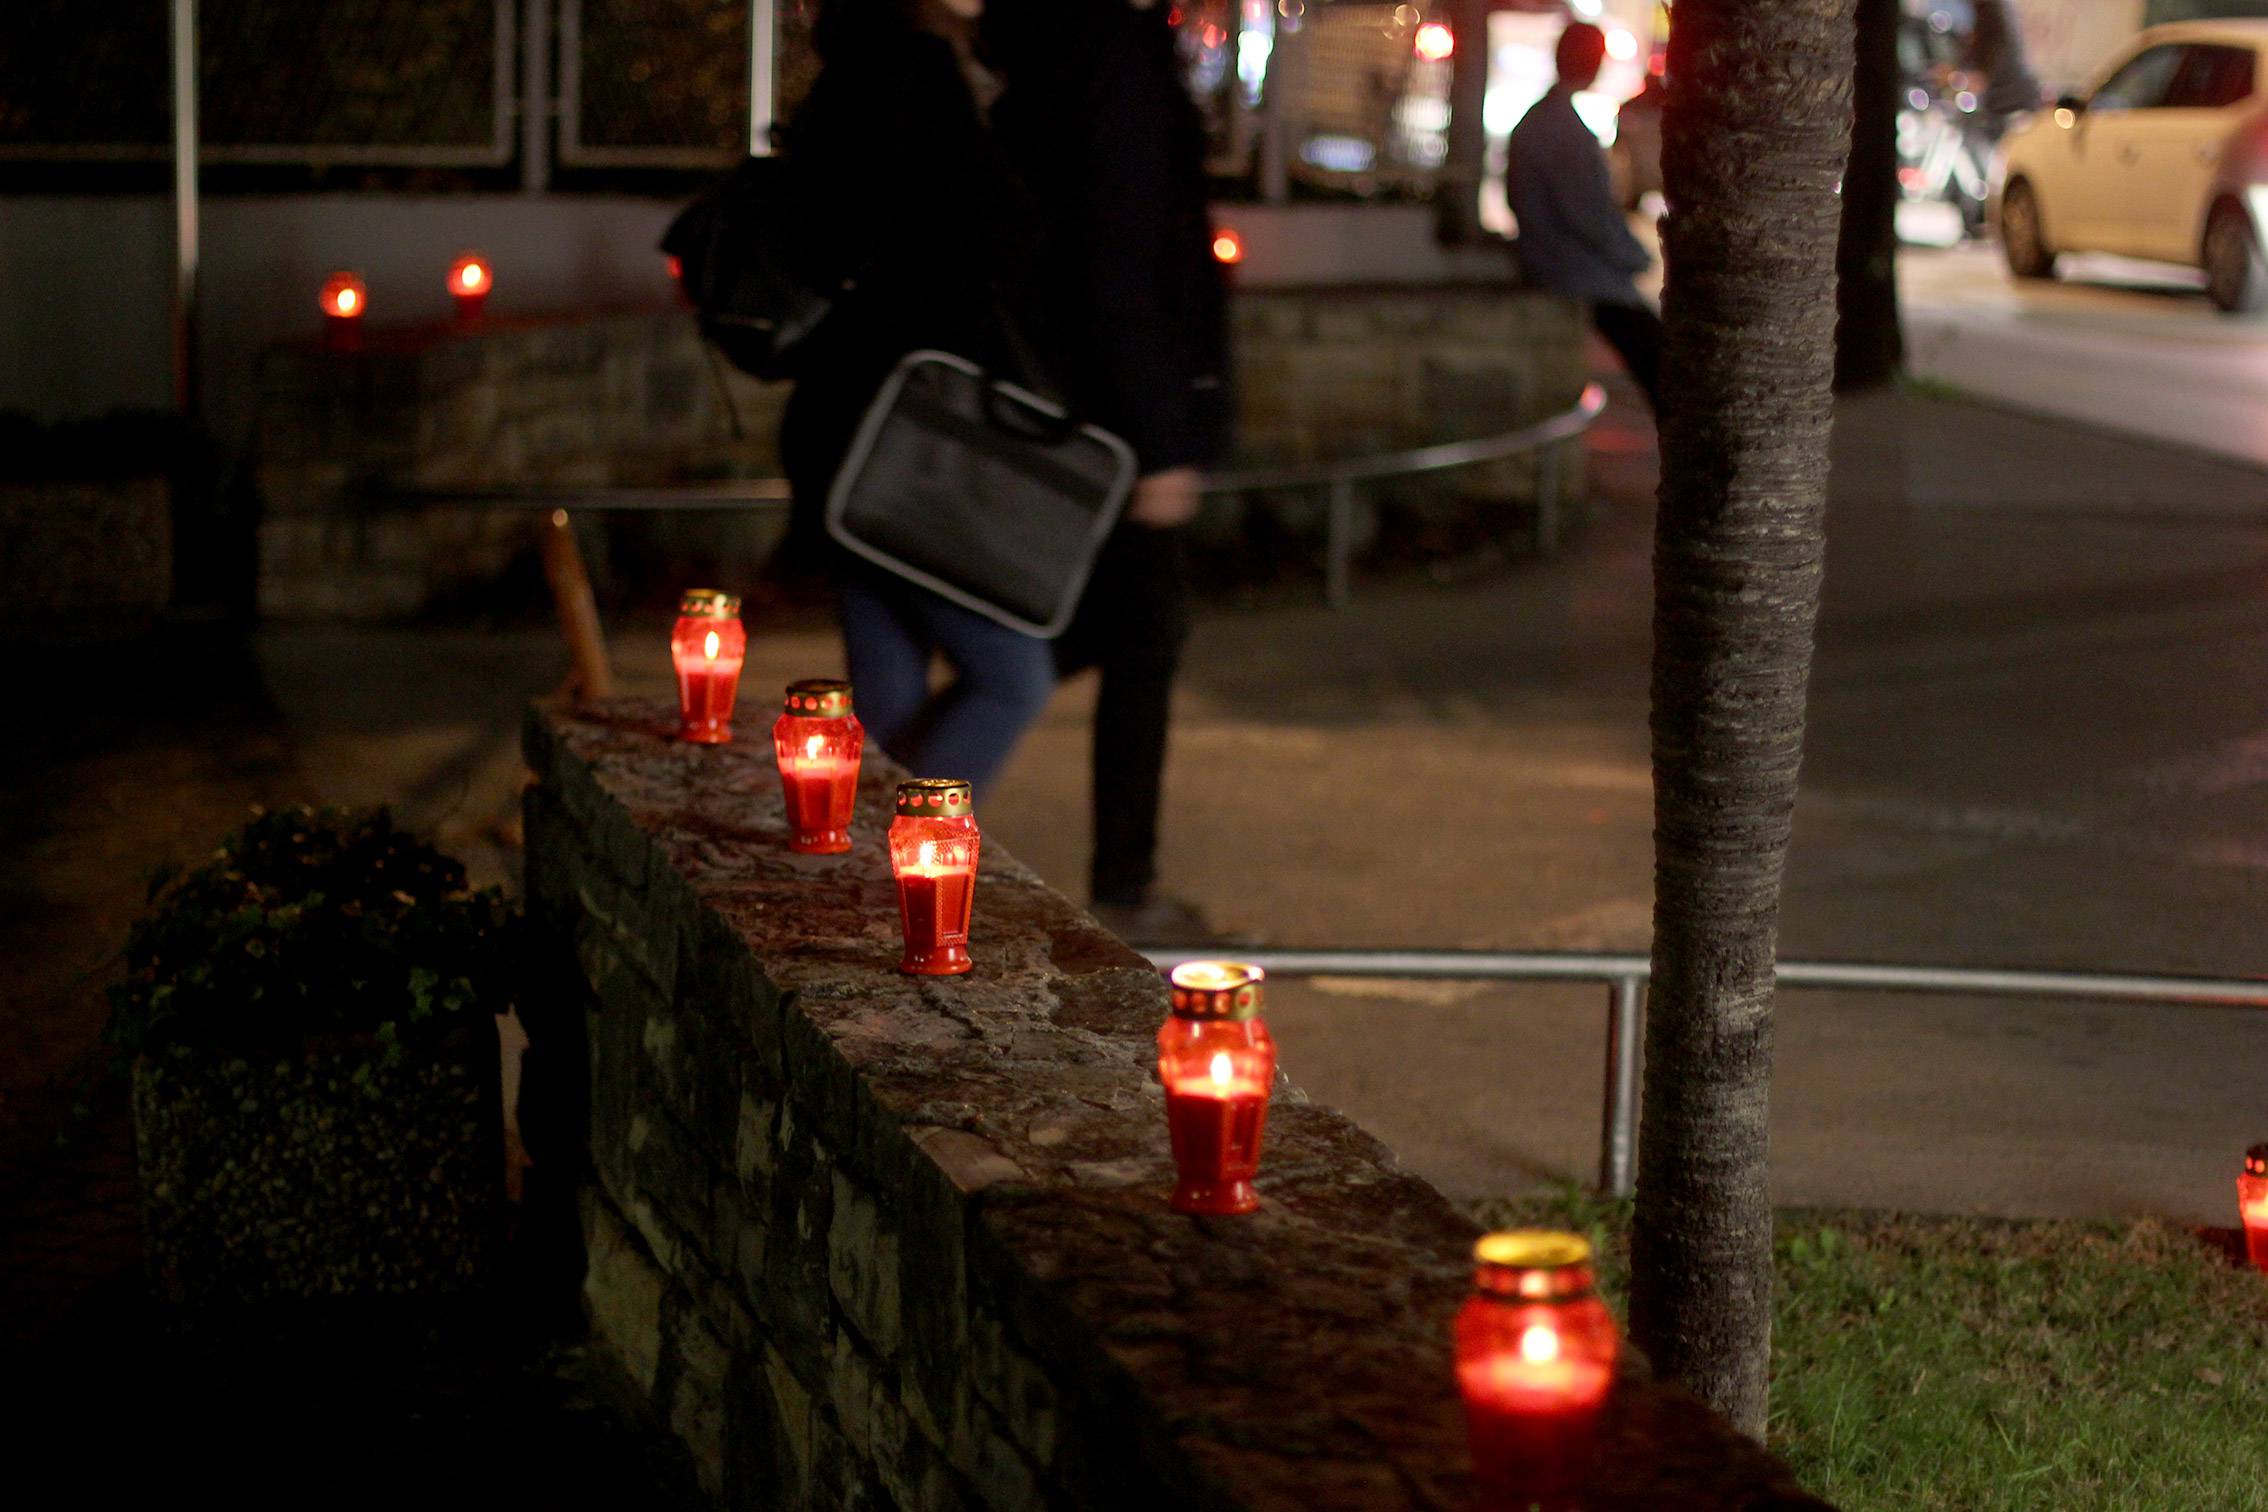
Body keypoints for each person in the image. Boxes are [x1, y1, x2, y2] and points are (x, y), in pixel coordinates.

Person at [985, 0, 1232, 941]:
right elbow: (1122, 261)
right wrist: (1161, 439)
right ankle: (1127, 888)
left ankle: (1126, 880)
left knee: (1084, 630)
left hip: (1081, 408)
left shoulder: (1066, 53)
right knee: (1128, 633)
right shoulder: (1113, 64)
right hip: (1117, 423)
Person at [778, 0, 1055, 794]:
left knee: (888, 698)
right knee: (1011, 679)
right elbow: (990, 239)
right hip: (912, 443)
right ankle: (891, 877)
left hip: (845, 430)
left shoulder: (846, 71)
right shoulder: (919, 73)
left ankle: (873, 885)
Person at [1505, 23, 1660, 410]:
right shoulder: (1561, 128)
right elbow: (1589, 215)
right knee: (1662, 361)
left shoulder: (1542, 121)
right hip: (1575, 270)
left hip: (1561, 263)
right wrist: (1635, 257)